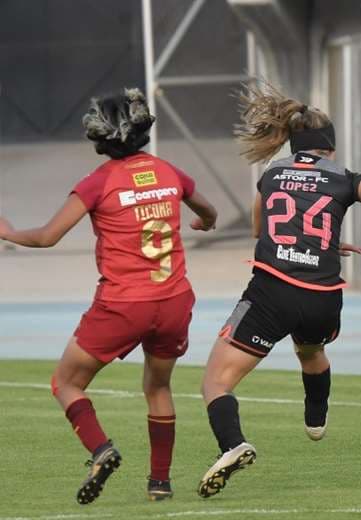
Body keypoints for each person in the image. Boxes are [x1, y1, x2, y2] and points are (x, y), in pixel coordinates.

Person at [196, 83, 361, 498]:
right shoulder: (343, 178)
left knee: (215, 383)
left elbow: (260, 231)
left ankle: (233, 445)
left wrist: (299, 238)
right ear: (329, 146)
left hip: (271, 293)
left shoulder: (270, 175)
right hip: (324, 297)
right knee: (310, 351)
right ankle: (316, 416)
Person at [0, 88, 218, 503]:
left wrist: (7, 232)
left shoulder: (97, 183)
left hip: (122, 304)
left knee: (66, 382)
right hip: (173, 301)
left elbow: (47, 237)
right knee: (157, 387)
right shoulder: (169, 172)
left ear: (101, 137)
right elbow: (208, 212)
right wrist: (203, 223)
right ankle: (159, 483)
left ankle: (101, 449)